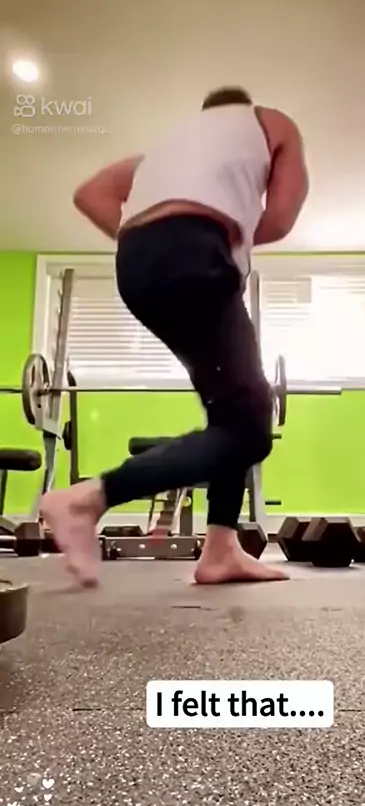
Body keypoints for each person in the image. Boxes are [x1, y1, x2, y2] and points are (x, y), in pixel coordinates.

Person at [40, 86, 309, 588]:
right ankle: (90, 498)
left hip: (137, 264)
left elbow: (90, 193)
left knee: (232, 413)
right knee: (249, 431)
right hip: (195, 253)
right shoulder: (270, 122)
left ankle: (221, 548)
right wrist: (228, 234)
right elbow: (280, 217)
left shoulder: (160, 157)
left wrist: (144, 236)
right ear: (242, 107)